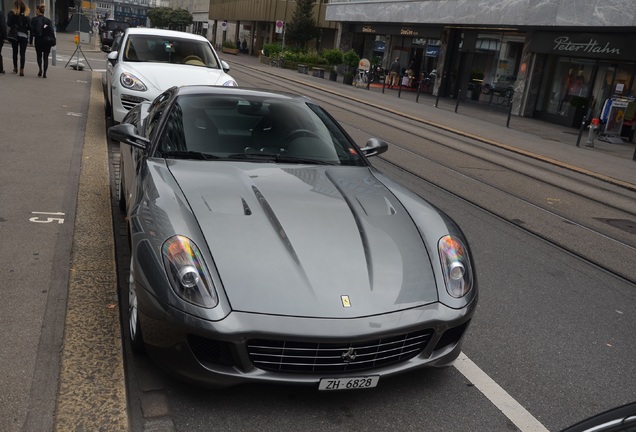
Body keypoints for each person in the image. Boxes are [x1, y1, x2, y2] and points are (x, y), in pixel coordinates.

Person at [7, 0, 31, 76]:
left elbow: (8, 23)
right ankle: (22, 69)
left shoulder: (12, 13)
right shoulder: (26, 15)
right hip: (24, 35)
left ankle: (15, 67)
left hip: (15, 35)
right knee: (22, 53)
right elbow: (30, 27)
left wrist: (14, 25)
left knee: (15, 52)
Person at [31, 3, 53, 78]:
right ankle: (45, 73)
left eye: (36, 10)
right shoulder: (48, 21)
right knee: (46, 57)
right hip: (47, 40)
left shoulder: (34, 20)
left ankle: (40, 69)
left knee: (39, 56)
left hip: (38, 40)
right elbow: (51, 31)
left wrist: (31, 41)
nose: (35, 11)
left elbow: (32, 31)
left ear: (38, 10)